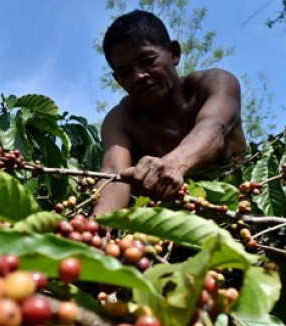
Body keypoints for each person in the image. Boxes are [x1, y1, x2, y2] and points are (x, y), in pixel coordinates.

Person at [92, 10, 247, 215]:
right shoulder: (120, 120)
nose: (138, 76)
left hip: (244, 215)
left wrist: (174, 163)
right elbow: (113, 173)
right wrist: (96, 229)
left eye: (148, 60)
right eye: (126, 72)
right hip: (174, 230)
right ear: (118, 80)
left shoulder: (215, 83)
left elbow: (213, 127)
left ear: (173, 53)